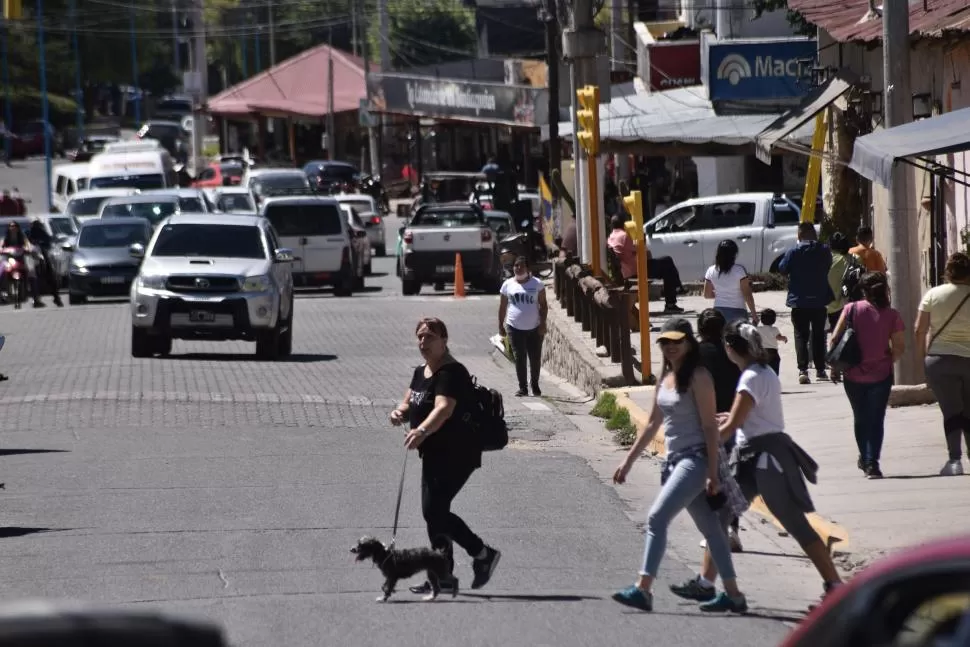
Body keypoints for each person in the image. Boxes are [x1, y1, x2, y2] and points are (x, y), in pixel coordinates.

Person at [670, 322, 844, 605]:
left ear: (730, 348)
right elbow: (750, 416)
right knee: (719, 518)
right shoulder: (762, 373)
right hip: (755, 456)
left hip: (764, 460)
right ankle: (707, 584)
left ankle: (835, 586)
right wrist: (727, 419)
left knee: (795, 524)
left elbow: (736, 423)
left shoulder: (750, 378)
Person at [611, 318, 748, 613]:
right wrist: (628, 461)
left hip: (696, 460)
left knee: (657, 518)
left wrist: (712, 473)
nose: (670, 347)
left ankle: (643, 588)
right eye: (665, 342)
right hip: (674, 460)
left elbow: (711, 428)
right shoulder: (665, 377)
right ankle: (734, 595)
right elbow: (651, 425)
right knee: (713, 531)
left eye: (677, 341)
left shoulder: (699, 376)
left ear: (689, 342)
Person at [389, 317, 501, 595]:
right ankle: (448, 573)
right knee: (435, 513)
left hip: (459, 452)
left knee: (434, 511)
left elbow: (444, 408)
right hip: (434, 453)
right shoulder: (421, 372)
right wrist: (399, 412)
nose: (423, 342)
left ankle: (480, 555)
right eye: (420, 337)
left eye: (429, 337)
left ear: (444, 340)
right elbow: (410, 399)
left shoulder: (451, 373)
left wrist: (423, 430)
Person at [830, 272, 904, 478]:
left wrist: (835, 368)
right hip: (881, 375)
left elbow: (835, 338)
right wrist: (888, 360)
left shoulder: (851, 309)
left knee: (860, 417)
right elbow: (899, 347)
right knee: (876, 419)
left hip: (853, 374)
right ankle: (872, 463)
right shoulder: (892, 315)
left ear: (863, 290)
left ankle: (865, 456)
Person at [914, 252, 970, 476]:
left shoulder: (933, 294)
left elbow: (920, 329)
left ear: (947, 273)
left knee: (951, 412)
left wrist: (922, 359)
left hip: (940, 360)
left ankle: (954, 461)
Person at [696, 309, 744, 553]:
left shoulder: (696, 355)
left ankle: (715, 530)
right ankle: (732, 529)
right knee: (730, 476)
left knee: (711, 476)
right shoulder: (732, 351)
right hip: (733, 419)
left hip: (706, 422)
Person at [779, 223, 834, 385]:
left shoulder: (793, 252)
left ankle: (803, 370)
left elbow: (782, 268)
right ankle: (820, 370)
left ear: (799, 234)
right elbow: (828, 266)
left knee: (801, 335)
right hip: (819, 300)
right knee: (818, 335)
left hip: (799, 301)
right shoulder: (824, 251)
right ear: (814, 234)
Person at [607, 214, 684, 314]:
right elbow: (645, 254)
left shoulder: (611, 237)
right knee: (667, 262)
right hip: (637, 271)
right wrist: (642, 242)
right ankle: (672, 300)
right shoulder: (624, 236)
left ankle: (677, 288)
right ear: (624, 224)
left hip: (627, 271)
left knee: (666, 263)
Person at [498, 256, 548, 397]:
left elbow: (543, 306)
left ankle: (535, 384)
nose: (518, 268)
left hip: (534, 327)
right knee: (520, 358)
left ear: (528, 268)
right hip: (514, 327)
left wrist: (543, 323)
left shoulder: (537, 284)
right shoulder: (507, 285)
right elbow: (502, 307)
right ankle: (523, 387)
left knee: (535, 358)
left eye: (521, 266)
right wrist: (500, 325)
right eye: (516, 265)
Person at [703, 239, 758, 324]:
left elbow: (707, 295)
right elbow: (747, 294)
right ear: (734, 254)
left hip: (718, 313)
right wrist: (754, 314)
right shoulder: (739, 270)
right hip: (738, 312)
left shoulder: (710, 270)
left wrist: (720, 294)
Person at [28, 219, 64, 308]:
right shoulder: (28, 234)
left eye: (37, 225)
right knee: (33, 278)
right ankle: (37, 299)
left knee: (50, 276)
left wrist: (41, 244)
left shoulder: (43, 233)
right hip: (31, 258)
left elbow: (48, 241)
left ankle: (56, 297)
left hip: (42, 257)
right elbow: (25, 243)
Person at [757, 308, 787, 375]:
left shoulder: (758, 329)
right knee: (774, 370)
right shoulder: (774, 329)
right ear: (774, 320)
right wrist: (784, 338)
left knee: (762, 370)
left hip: (762, 352)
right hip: (773, 353)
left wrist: (755, 322)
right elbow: (779, 337)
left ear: (761, 319)